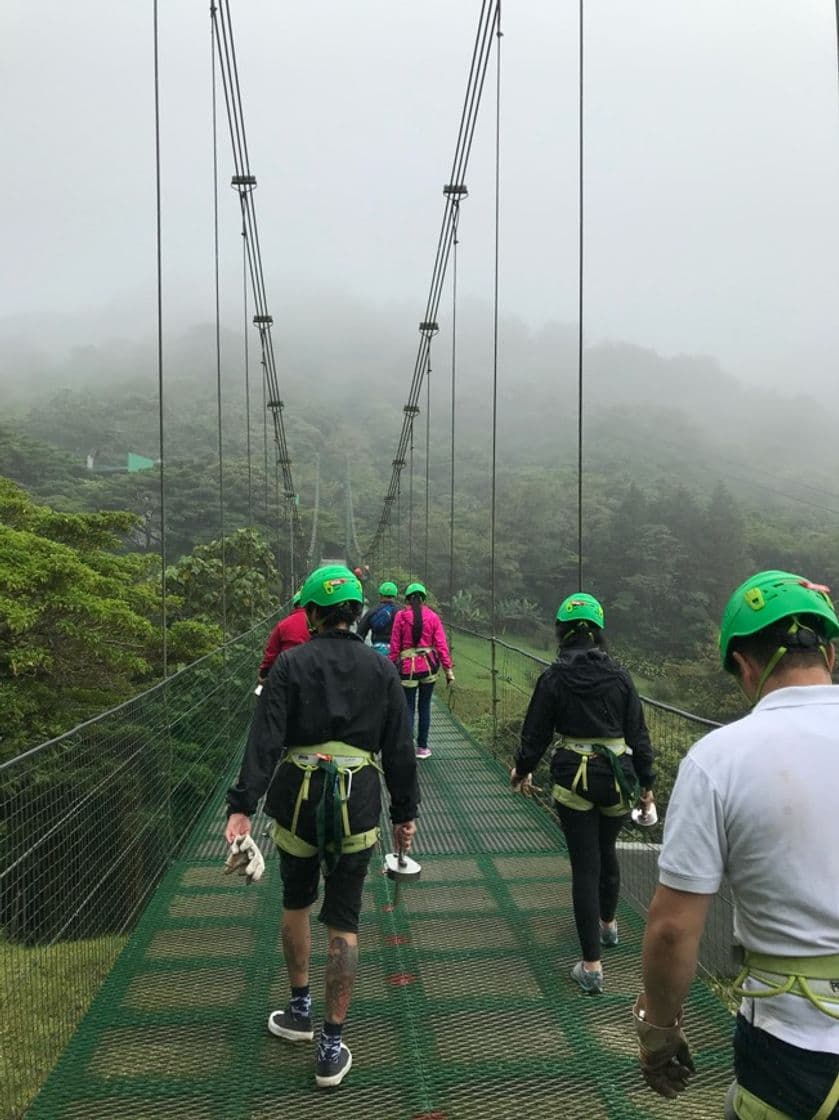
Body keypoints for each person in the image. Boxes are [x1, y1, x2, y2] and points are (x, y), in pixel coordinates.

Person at [634, 570, 839, 1116]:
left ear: (745, 667)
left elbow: (674, 928)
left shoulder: (719, 759)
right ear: (832, 654)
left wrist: (659, 1031)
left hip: (792, 1053)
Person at [225, 564, 419, 1089]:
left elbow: (264, 740)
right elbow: (401, 748)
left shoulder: (290, 665)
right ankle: (332, 1046)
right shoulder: (382, 671)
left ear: (311, 613)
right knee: (344, 922)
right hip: (359, 801)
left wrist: (241, 805)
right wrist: (405, 815)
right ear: (356, 613)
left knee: (296, 902)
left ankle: (299, 1011)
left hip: (297, 800)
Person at [510, 592, 654, 994]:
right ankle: (608, 926)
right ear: (598, 632)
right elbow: (638, 734)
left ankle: (591, 966)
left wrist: (521, 770)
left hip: (574, 778)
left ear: (561, 631)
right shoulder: (621, 677)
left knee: (585, 866)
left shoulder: (555, 676)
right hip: (618, 777)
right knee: (607, 851)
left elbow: (536, 732)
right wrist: (648, 783)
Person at [389, 582, 454, 759]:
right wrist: (448, 670)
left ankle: (407, 747)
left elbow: (395, 646)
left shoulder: (401, 617)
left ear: (408, 599)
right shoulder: (433, 617)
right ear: (423, 599)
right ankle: (423, 748)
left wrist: (391, 666)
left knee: (408, 707)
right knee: (424, 707)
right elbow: (441, 645)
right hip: (428, 669)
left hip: (407, 669)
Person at [258, 591, 310, 684]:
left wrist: (263, 674)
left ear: (295, 605)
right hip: (309, 675)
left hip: (284, 675)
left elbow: (271, 653)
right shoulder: (318, 624)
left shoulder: (283, 624)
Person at [357, 581, 399, 654]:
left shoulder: (372, 611)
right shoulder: (400, 612)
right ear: (395, 596)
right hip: (395, 652)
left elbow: (360, 633)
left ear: (380, 595)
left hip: (377, 652)